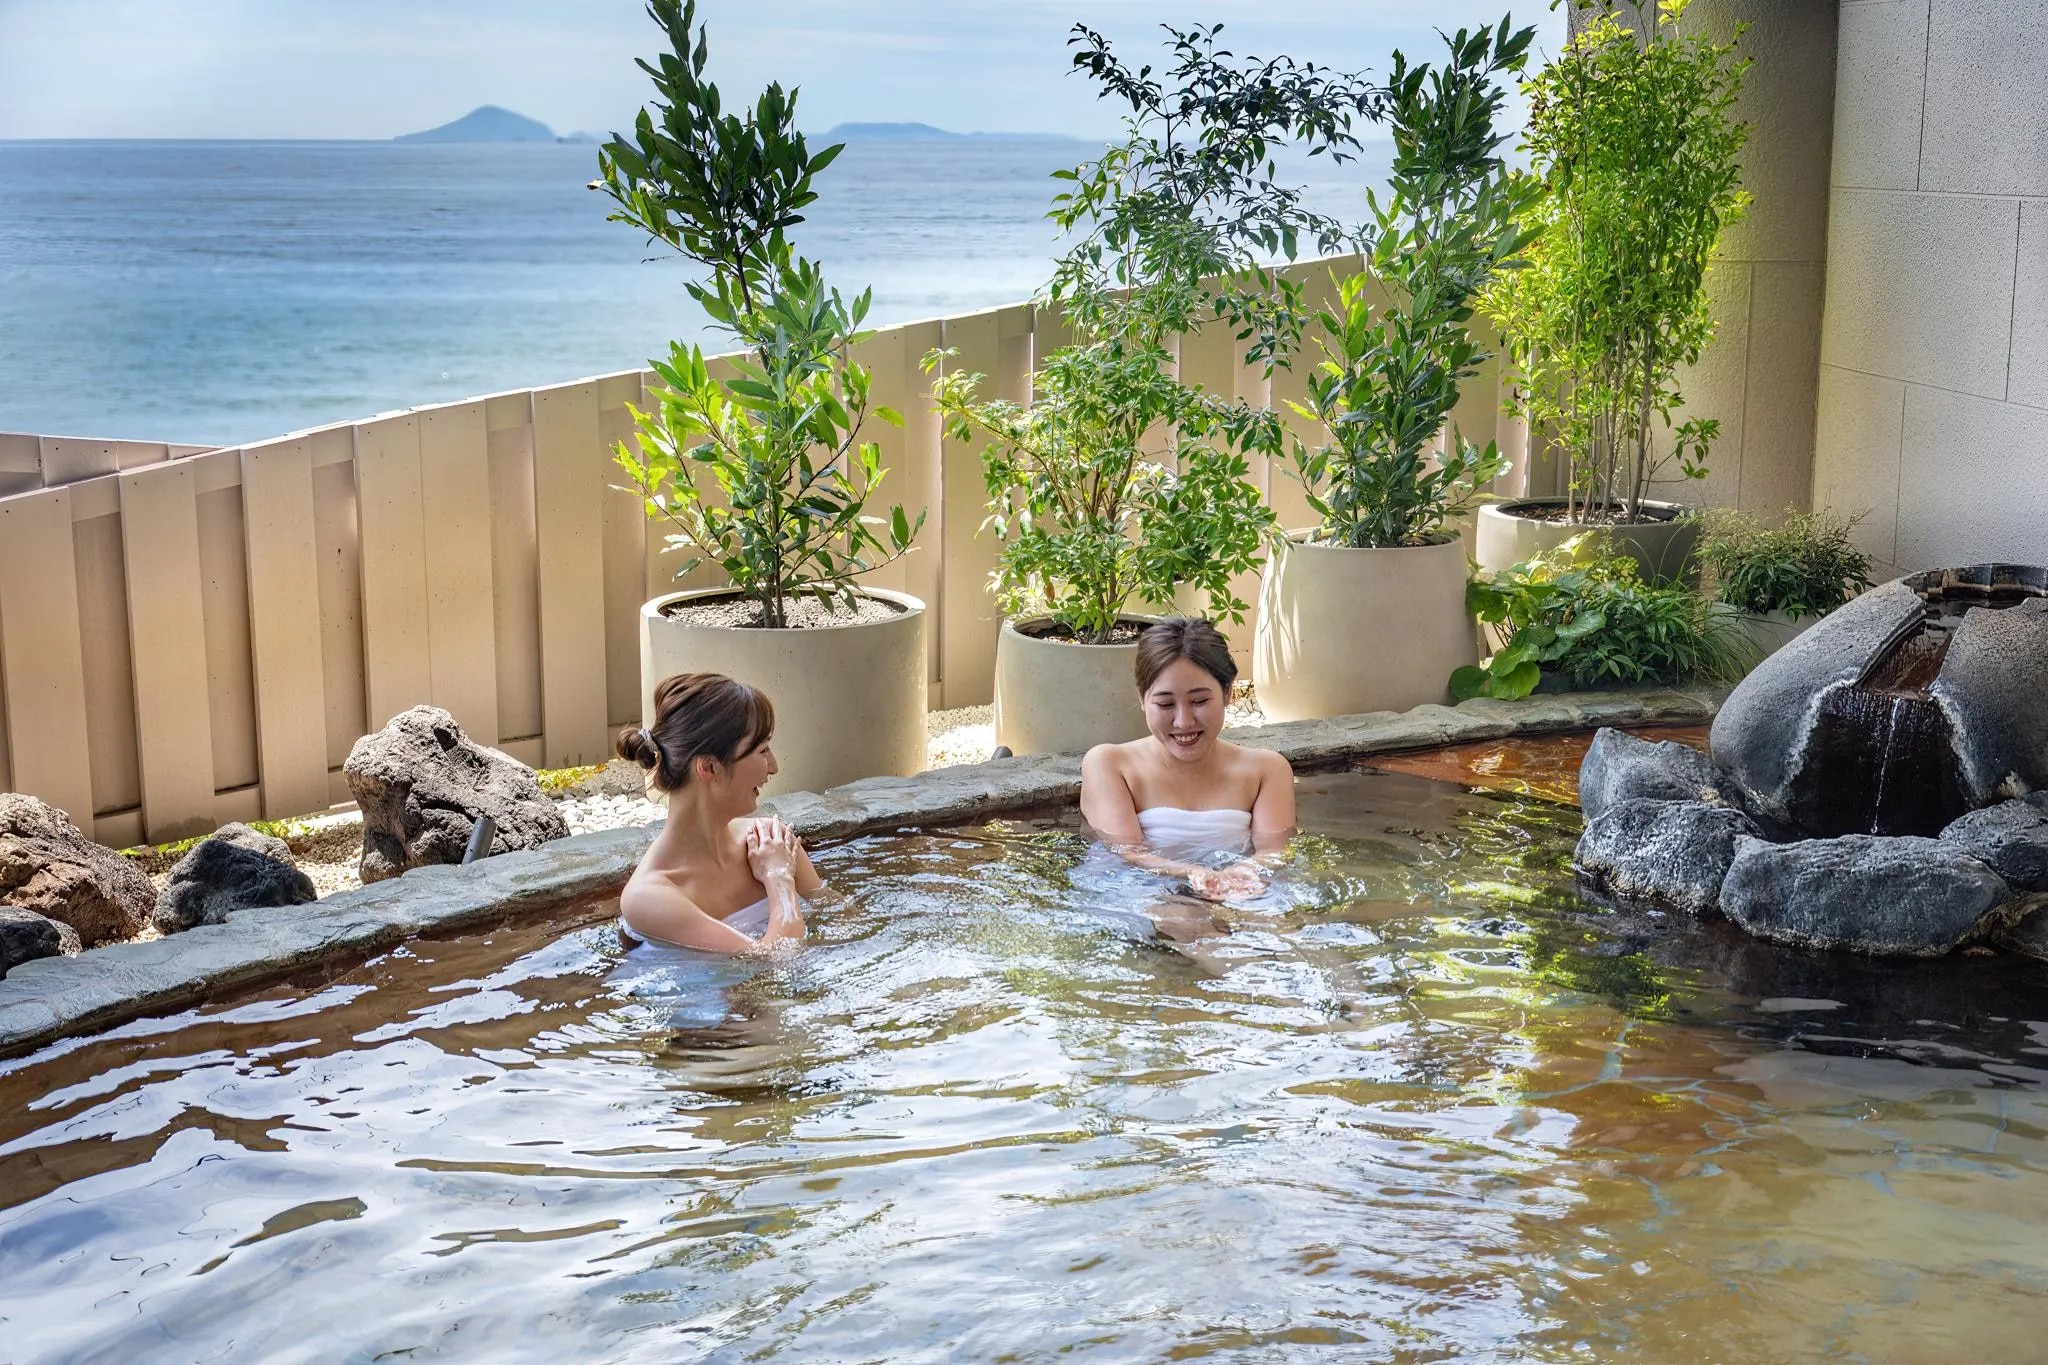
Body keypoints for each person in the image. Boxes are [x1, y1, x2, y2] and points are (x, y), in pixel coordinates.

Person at [1080, 617, 1296, 903]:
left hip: (1240, 893)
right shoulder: (1110, 764)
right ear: (1142, 699)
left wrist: (1244, 871)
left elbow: (1275, 850)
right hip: (1145, 895)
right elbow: (1125, 852)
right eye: (1165, 704)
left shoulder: (1266, 770)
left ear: (1228, 692)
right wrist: (1193, 874)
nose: (1183, 722)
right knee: (1185, 919)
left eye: (1199, 701)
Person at [615, 672, 823, 954]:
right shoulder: (649, 897)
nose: (774, 767)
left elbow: (843, 917)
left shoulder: (770, 842)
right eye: (763, 750)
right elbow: (777, 960)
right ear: (709, 767)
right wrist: (779, 878)